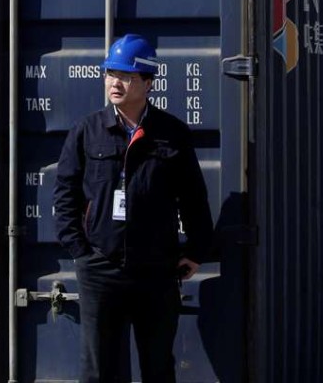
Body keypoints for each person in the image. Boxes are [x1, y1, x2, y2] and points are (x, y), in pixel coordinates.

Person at [53, 34, 214, 383]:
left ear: (148, 82)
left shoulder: (171, 134)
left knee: (157, 366)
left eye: (126, 76)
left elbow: (193, 196)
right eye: (111, 73)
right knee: (99, 370)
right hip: (100, 269)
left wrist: (197, 250)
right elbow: (64, 193)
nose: (115, 82)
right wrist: (81, 251)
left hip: (156, 270)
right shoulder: (87, 131)